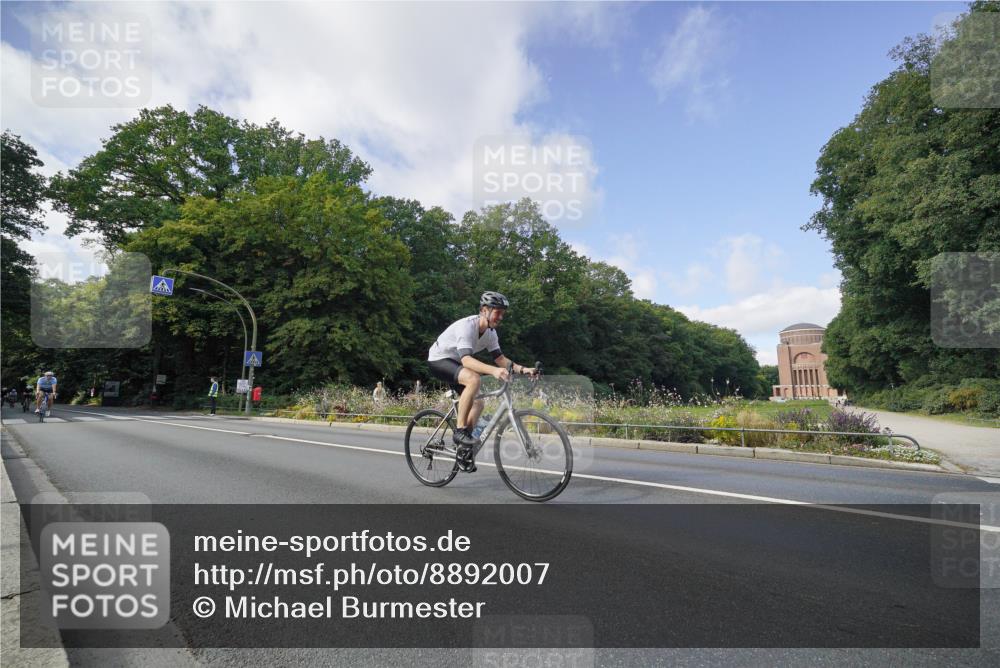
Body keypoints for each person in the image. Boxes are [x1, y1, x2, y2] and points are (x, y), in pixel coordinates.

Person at [427, 291, 538, 471]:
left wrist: (523, 369)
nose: (501, 317)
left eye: (503, 313)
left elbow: (500, 359)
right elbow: (467, 361)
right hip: (439, 359)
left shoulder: (490, 333)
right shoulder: (467, 327)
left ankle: (463, 451)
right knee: (473, 379)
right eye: (498, 312)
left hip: (455, 363)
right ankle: (460, 432)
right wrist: (494, 371)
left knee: (478, 404)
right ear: (484, 310)